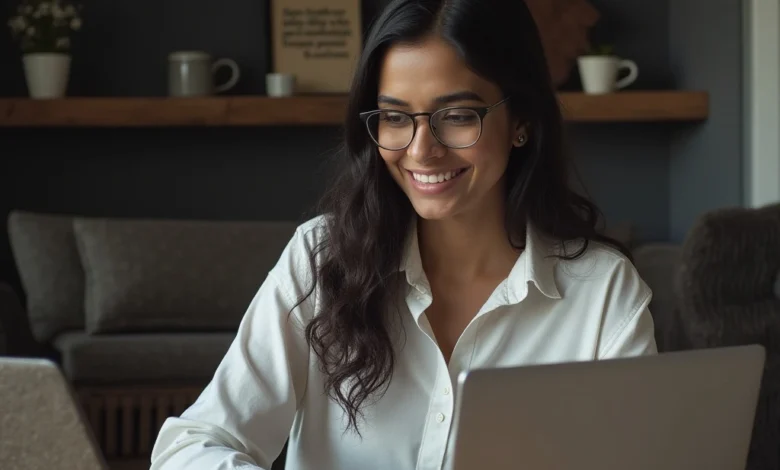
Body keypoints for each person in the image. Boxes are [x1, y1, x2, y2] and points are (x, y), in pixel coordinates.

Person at [149, 0, 657, 468]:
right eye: (395, 117)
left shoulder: (603, 293)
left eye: (457, 117)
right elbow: (190, 448)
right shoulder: (321, 259)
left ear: (521, 119)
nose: (420, 151)